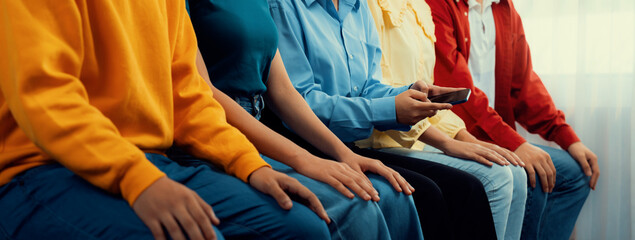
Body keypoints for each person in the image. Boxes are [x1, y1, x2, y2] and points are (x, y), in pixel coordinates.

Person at [0, 1, 362, 239]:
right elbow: (44, 95)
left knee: (303, 229)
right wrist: (136, 179)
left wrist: (251, 166)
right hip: (41, 169)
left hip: (152, 162)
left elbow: (186, 94)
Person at [171, 0, 424, 239]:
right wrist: (305, 159)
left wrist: (346, 156)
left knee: (393, 196)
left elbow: (283, 92)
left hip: (256, 128)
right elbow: (202, 94)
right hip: (215, 133)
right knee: (354, 205)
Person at [269, 0, 498, 239]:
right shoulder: (284, 6)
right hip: (305, 140)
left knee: (465, 189)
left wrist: (408, 93)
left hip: (350, 144)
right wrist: (390, 109)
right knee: (429, 194)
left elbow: (367, 85)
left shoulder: (357, 6)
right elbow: (300, 101)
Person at [426, 0, 599, 239]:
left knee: (577, 174)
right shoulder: (437, 5)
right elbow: (457, 93)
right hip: (455, 137)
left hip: (496, 135)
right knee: (533, 177)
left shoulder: (504, 8)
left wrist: (568, 138)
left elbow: (525, 86)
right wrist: (516, 144)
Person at [359, 0, 528, 239]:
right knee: (497, 178)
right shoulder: (369, 6)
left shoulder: (421, 7)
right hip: (383, 140)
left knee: (514, 170)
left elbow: (428, 97)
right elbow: (387, 97)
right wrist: (449, 144)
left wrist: (470, 140)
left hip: (419, 137)